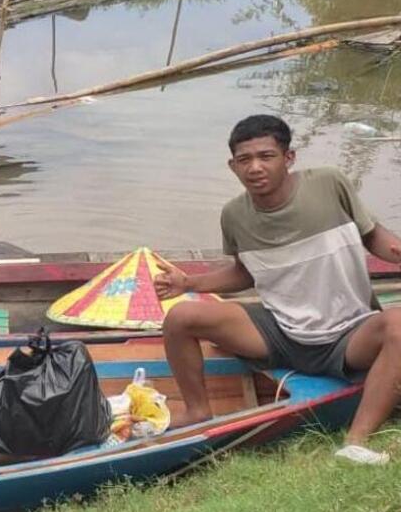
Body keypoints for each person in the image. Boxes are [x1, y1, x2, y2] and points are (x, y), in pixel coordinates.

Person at [156, 115, 401, 464]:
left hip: (348, 335)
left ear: (289, 158)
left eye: (266, 156)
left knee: (398, 325)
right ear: (232, 166)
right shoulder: (234, 215)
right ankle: (197, 411)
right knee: (182, 316)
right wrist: (188, 284)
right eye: (244, 160)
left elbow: (372, 234)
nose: (255, 167)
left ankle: (356, 442)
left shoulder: (329, 183)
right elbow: (244, 273)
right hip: (280, 333)